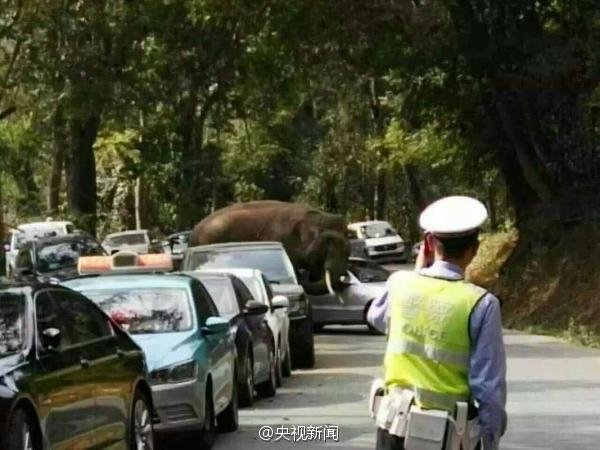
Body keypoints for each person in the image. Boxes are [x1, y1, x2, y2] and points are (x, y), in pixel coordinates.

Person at [367, 196, 506, 450]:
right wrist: (490, 440)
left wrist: (417, 272)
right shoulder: (482, 304)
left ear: (428, 243)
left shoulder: (400, 284)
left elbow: (376, 318)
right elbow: (488, 389)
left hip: (393, 429)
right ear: (475, 249)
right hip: (451, 437)